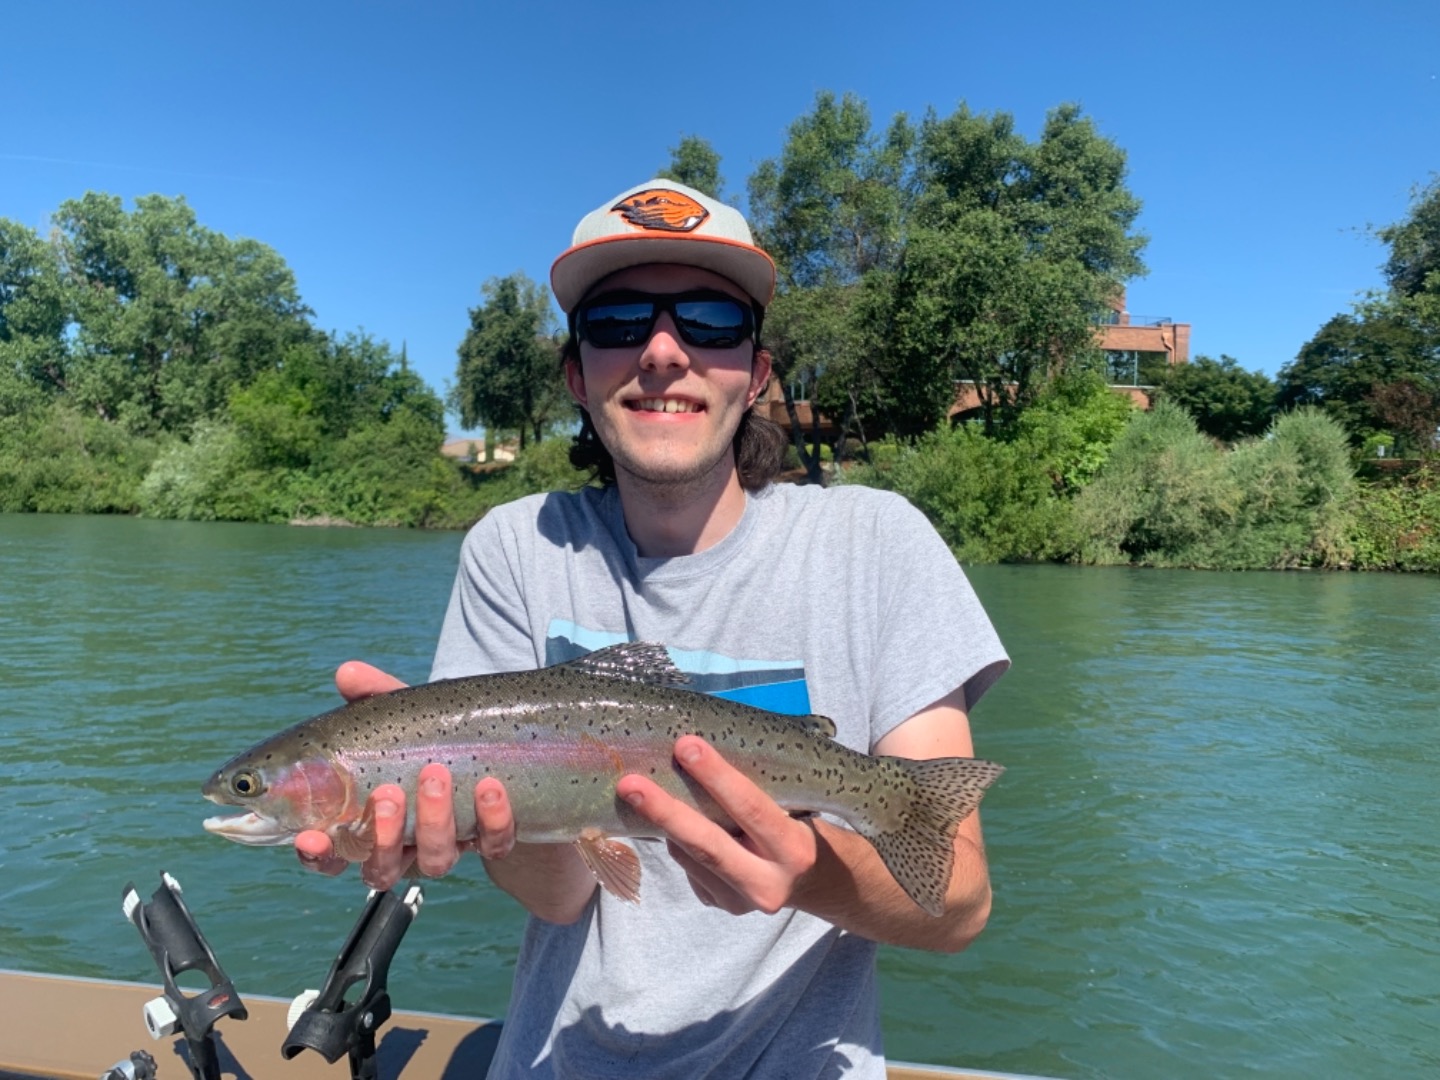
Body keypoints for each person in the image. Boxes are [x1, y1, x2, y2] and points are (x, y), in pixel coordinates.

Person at [296, 179, 1009, 1078]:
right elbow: (560, 901)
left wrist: (808, 874)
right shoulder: (517, 547)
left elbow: (960, 903)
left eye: (710, 320)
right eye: (620, 321)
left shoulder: (875, 544)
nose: (664, 351)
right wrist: (488, 825)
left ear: (755, 373)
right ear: (576, 375)